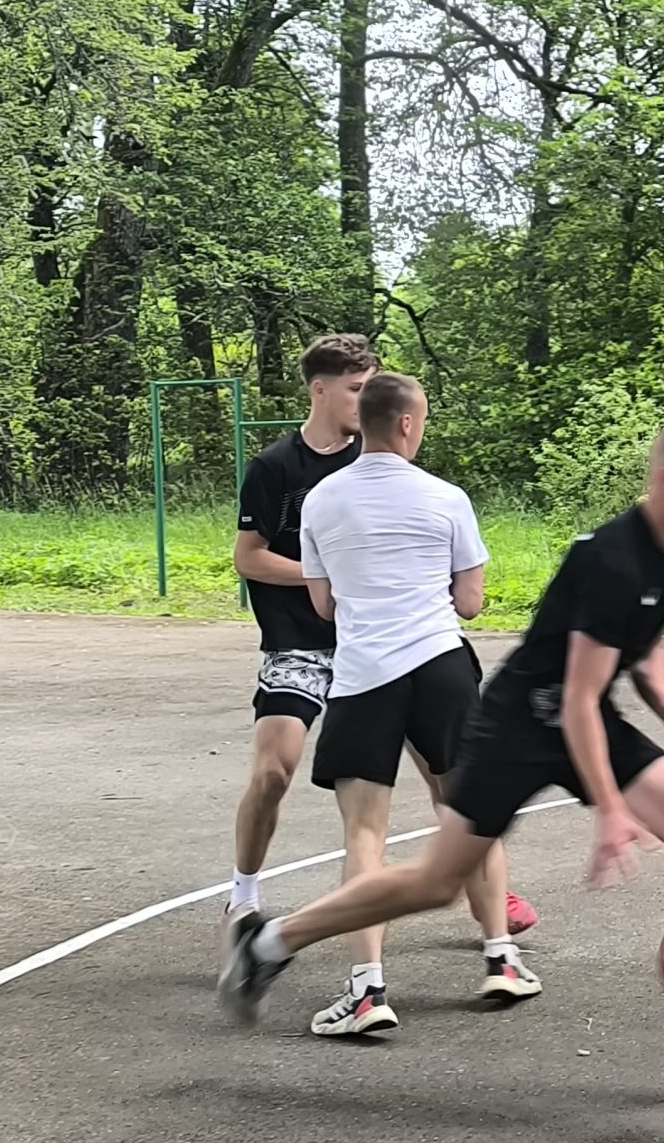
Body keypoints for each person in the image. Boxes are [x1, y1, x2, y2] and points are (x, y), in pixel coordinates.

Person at [223, 420, 664, 1085]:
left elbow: (644, 640)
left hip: (583, 716)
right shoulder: (611, 558)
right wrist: (612, 811)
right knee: (435, 883)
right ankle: (270, 942)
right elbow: (575, 700)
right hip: (517, 728)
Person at [224, 337, 534, 945]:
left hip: (377, 642)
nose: (367, 399)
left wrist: (361, 581)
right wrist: (337, 575)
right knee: (274, 771)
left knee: (448, 781)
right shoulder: (276, 468)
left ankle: (490, 911)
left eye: (371, 389)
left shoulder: (378, 457)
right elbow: (249, 558)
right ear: (320, 391)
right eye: (356, 388)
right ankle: (244, 894)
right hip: (301, 641)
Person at [293, 372, 539, 1036]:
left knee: (364, 834)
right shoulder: (446, 497)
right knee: (469, 814)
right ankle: (501, 958)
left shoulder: (321, 499)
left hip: (364, 676)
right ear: (406, 423)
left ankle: (367, 990)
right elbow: (470, 603)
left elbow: (324, 605)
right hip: (440, 669)